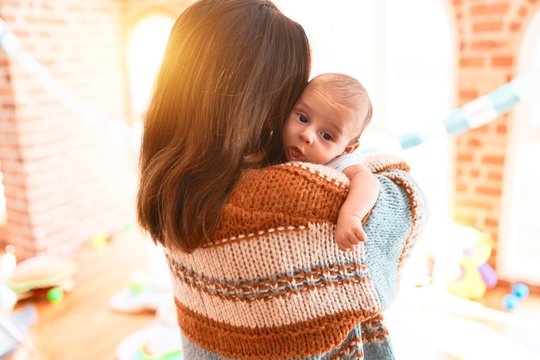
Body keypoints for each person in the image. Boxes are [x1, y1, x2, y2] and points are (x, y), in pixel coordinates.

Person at [137, 0, 427, 359]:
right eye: (299, 112)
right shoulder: (301, 202)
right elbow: (410, 203)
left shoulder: (170, 184)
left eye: (326, 134)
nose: (306, 137)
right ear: (265, 101)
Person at [283, 73, 378, 252]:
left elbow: (368, 182)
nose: (306, 135)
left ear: (347, 149)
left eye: (326, 136)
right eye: (303, 118)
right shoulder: (275, 145)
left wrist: (350, 215)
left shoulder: (338, 163)